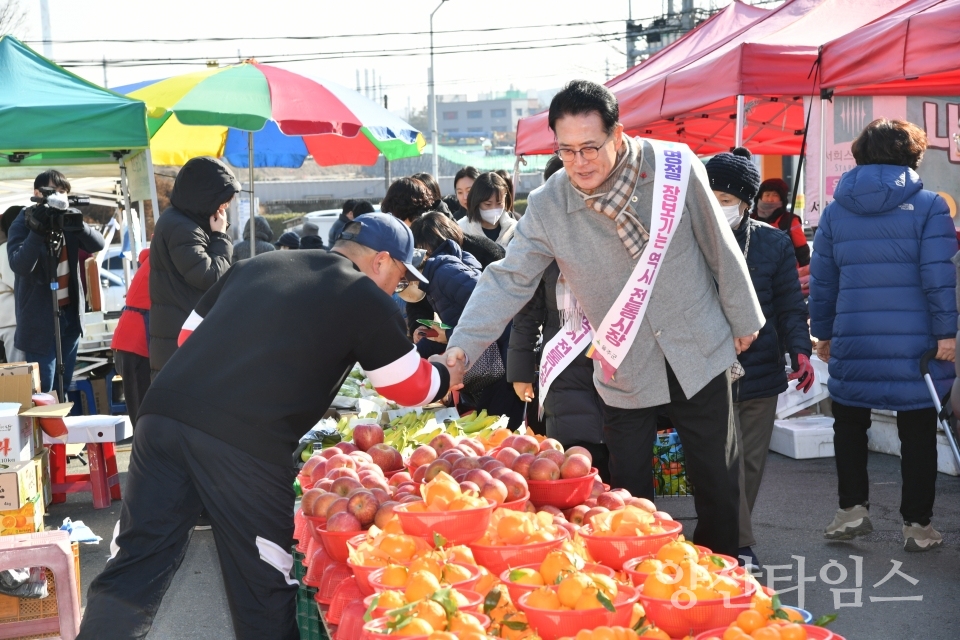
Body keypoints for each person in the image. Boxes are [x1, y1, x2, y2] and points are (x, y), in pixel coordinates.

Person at [76, 214, 461, 640]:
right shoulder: (363, 294)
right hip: (246, 441)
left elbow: (188, 337)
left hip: (163, 415)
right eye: (402, 279)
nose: (399, 291)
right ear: (382, 261)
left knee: (137, 559)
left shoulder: (257, 265)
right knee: (264, 581)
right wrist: (447, 372)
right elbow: (407, 386)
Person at [441, 80, 763, 557]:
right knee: (627, 489)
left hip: (698, 343)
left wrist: (743, 318)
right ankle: (640, 573)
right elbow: (508, 278)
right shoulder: (551, 204)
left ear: (617, 134)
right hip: (622, 358)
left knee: (716, 475)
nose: (579, 162)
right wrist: (463, 346)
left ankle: (726, 569)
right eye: (566, 151)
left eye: (590, 147)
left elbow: (719, 245)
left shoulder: (673, 166)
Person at [809, 118, 957, 552]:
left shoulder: (836, 211)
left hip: (854, 333)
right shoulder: (930, 206)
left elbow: (823, 280)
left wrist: (822, 332)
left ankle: (851, 510)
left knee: (850, 421)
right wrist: (946, 333)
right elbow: (939, 278)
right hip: (913, 340)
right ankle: (918, 525)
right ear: (913, 156)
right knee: (917, 426)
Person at [705, 147, 812, 567]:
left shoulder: (775, 241)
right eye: (710, 199)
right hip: (705, 370)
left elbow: (789, 304)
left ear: (747, 204)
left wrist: (799, 349)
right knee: (717, 461)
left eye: (727, 201)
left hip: (761, 369)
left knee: (749, 461)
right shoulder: (686, 240)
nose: (718, 208)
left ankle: (733, 539)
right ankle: (734, 542)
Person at [507, 154, 607, 468]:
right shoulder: (537, 242)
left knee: (621, 456)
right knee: (573, 462)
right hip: (563, 365)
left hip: (614, 357)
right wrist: (520, 373)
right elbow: (526, 313)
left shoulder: (614, 231)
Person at [8, 170, 106, 393]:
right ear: (37, 193)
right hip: (39, 322)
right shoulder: (23, 221)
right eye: (53, 191)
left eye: (63, 192)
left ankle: (64, 426)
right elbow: (20, 265)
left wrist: (77, 222)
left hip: (70, 316)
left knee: (64, 386)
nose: (58, 197)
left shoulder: (68, 218)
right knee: (45, 391)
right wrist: (37, 231)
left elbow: (97, 244)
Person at [149, 157, 237, 377]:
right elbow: (210, 277)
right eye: (223, 199)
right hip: (183, 337)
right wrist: (220, 236)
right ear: (204, 195)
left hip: (179, 335)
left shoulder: (180, 220)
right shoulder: (182, 228)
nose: (225, 206)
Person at [110, 248, 152, 423]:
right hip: (134, 342)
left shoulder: (154, 258)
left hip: (130, 340)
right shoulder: (160, 261)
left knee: (141, 415)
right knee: (142, 415)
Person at [752, 178, 810, 268]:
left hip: (784, 272)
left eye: (775, 195)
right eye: (767, 195)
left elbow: (802, 250)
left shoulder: (790, 220)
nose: (770, 199)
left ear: (781, 198)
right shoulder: (751, 218)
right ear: (760, 197)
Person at [458, 172, 518, 247]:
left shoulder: (514, 229)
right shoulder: (462, 229)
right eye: (488, 204)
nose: (494, 208)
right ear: (476, 202)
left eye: (499, 203)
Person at [0, 207, 23, 363]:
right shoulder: (7, 248)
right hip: (12, 320)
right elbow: (17, 284)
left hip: (9, 320)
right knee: (19, 371)